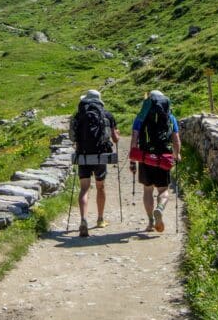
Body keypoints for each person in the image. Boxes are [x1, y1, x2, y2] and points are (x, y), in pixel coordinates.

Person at [69, 89, 120, 237]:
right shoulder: (107, 115)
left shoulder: (78, 115)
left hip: (83, 155)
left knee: (84, 188)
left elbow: (72, 137)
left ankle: (83, 219)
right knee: (100, 186)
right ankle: (100, 219)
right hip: (100, 156)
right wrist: (117, 134)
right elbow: (115, 139)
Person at [129, 90, 181, 233]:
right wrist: (177, 155)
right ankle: (160, 208)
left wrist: (133, 160)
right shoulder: (170, 117)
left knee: (147, 189)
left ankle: (151, 221)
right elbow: (176, 139)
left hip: (146, 157)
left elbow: (134, 139)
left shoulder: (140, 117)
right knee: (163, 190)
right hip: (164, 158)